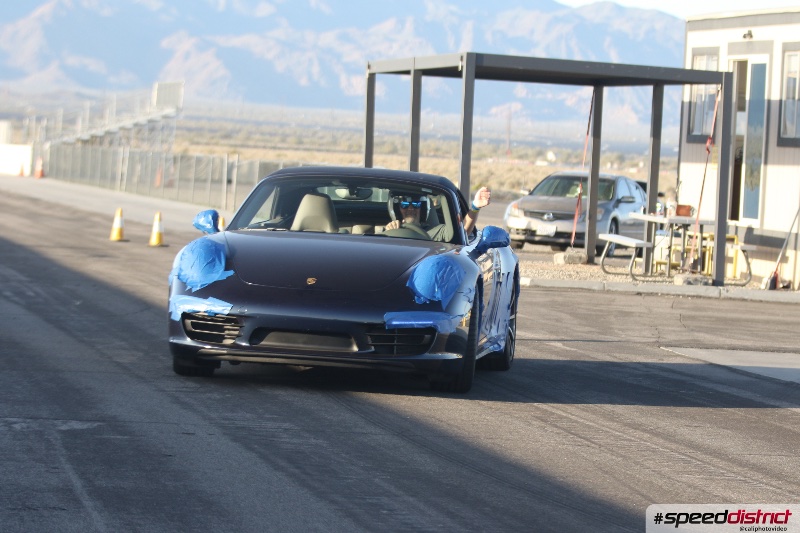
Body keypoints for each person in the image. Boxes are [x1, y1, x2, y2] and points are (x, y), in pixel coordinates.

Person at [385, 186, 492, 238]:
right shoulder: (390, 230)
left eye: (416, 204)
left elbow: (462, 231)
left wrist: (475, 207)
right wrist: (390, 232)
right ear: (398, 209)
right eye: (405, 205)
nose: (410, 208)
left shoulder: (436, 232)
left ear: (422, 208)